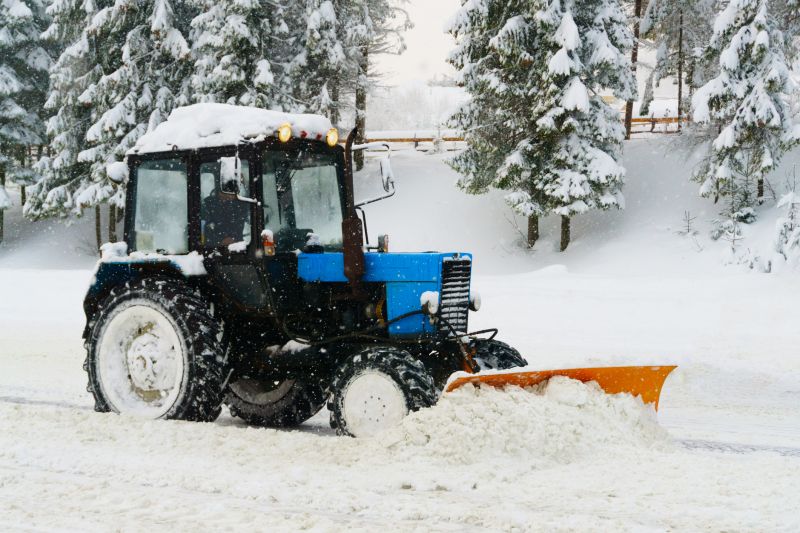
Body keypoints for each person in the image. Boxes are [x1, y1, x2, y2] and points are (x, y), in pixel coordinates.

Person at [202, 180, 250, 247]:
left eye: (231, 193)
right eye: (224, 192)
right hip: (211, 248)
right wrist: (219, 240)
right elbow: (204, 225)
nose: (227, 196)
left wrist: (245, 184)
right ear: (219, 191)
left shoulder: (241, 205)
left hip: (238, 248)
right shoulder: (208, 204)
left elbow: (252, 200)